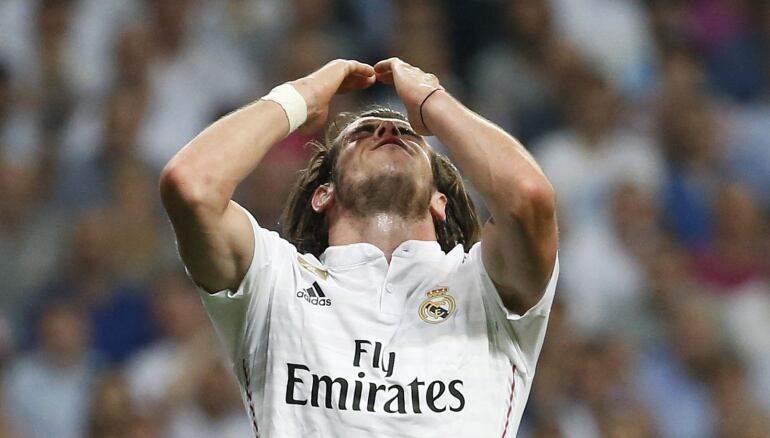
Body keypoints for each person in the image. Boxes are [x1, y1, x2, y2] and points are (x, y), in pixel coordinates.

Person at [160, 58, 558, 437]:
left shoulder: (482, 287)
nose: (387, 131)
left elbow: (528, 198)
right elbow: (191, 186)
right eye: (363, 134)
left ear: (440, 201)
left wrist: (434, 102)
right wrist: (300, 96)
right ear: (323, 194)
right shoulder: (274, 281)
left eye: (408, 135)